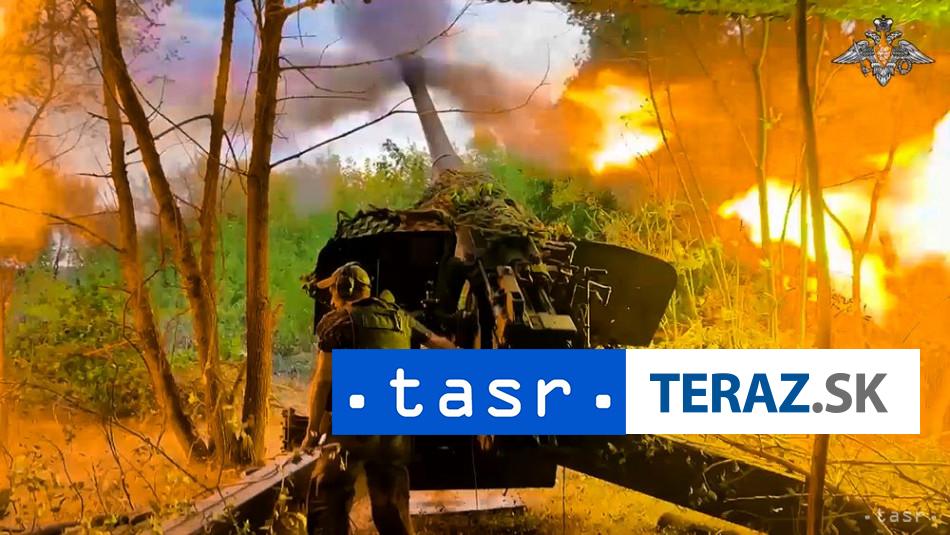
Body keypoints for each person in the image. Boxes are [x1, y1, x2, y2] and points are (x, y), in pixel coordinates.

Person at [302, 261, 454, 535]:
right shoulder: (400, 318)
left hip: (355, 430)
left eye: (333, 290)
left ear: (345, 288)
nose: (331, 298)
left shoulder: (337, 322)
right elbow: (440, 345)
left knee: (326, 495)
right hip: (395, 434)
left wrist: (312, 433)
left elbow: (323, 381)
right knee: (390, 508)